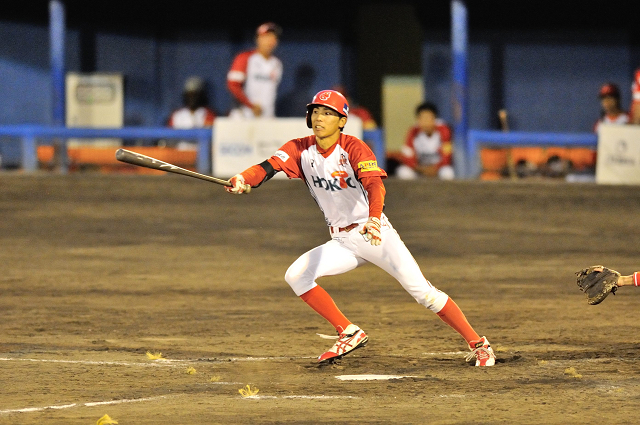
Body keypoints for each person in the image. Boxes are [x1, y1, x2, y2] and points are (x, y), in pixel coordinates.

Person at [224, 89, 496, 367]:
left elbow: (375, 184)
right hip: (341, 241)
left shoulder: (353, 147)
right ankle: (349, 331)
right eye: (316, 111)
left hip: (373, 234)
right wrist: (243, 179)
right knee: (296, 275)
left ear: (342, 121)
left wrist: (374, 219)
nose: (319, 117)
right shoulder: (299, 147)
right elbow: (266, 168)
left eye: (328, 113)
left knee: (424, 293)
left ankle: (479, 344)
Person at [227, 22, 283, 119]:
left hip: (267, 116)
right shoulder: (245, 58)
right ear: (258, 39)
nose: (270, 41)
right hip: (243, 116)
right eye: (266, 37)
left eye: (273, 37)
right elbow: (233, 85)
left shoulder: (277, 64)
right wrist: (251, 105)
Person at [395, 101, 454, 180]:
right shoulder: (413, 131)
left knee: (448, 173)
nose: (425, 121)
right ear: (418, 119)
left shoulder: (443, 130)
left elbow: (447, 156)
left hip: (438, 168)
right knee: (403, 172)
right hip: (419, 168)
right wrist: (420, 169)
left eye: (428, 118)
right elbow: (407, 156)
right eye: (422, 118)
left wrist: (435, 168)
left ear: (434, 119)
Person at [163, 76, 216, 149]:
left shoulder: (209, 114)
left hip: (201, 155)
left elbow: (210, 139)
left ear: (201, 95)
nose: (192, 98)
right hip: (179, 155)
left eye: (195, 95)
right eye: (189, 95)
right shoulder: (177, 115)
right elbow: (168, 138)